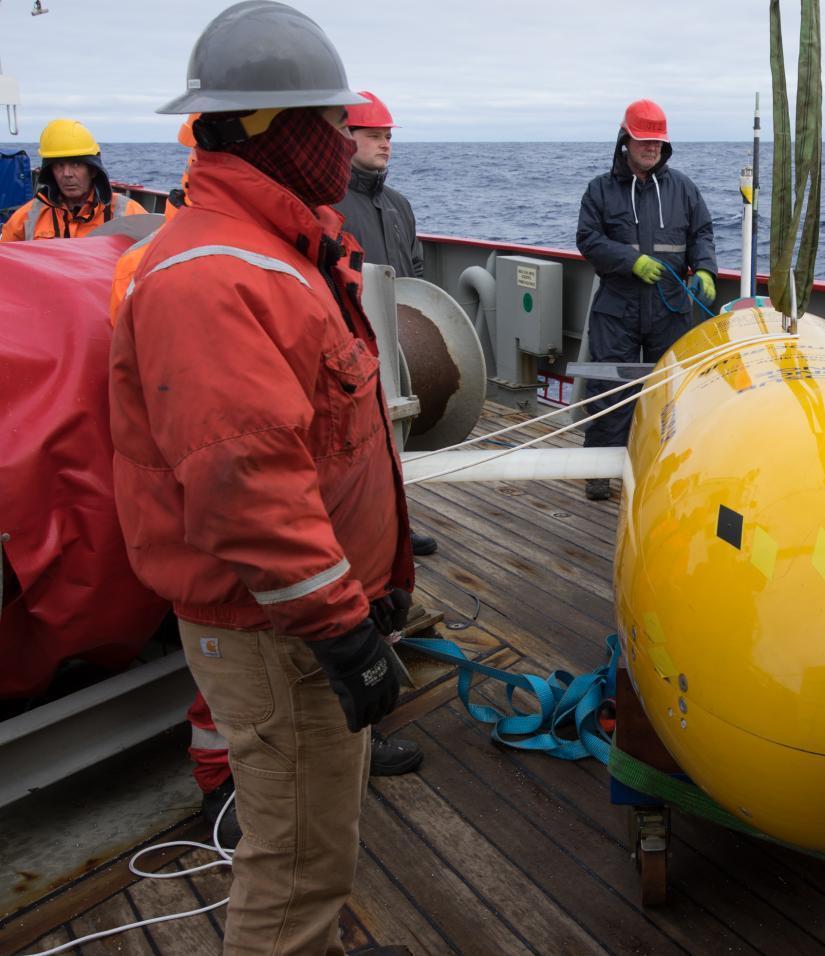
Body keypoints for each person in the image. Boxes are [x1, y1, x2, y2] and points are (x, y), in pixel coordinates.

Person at [108, 4, 414, 953]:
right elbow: (247, 486)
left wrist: (370, 587)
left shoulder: (277, 247)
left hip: (297, 617)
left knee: (315, 842)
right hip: (278, 632)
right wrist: (342, 628)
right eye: (327, 121)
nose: (344, 141)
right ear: (268, 131)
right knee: (295, 867)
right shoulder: (212, 277)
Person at [576, 99, 717, 500]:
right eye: (644, 140)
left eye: (658, 142)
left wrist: (705, 270)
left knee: (669, 392)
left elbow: (702, 233)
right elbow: (587, 239)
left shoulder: (684, 189)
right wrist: (631, 261)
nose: (652, 148)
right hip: (617, 308)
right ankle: (599, 472)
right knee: (610, 390)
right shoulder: (600, 190)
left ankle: (662, 469)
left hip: (670, 308)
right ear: (626, 140)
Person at [333, 90, 437, 559]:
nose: (385, 144)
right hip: (348, 347)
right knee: (352, 447)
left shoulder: (399, 205)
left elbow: (415, 270)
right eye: (374, 135)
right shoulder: (328, 205)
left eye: (388, 136)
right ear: (345, 136)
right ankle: (352, 537)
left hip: (397, 348)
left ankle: (396, 527)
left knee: (395, 441)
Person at [1, 118, 146, 242]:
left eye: (76, 164)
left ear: (93, 170)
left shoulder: (128, 212)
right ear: (50, 172)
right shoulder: (26, 218)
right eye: (59, 165)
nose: (67, 174)